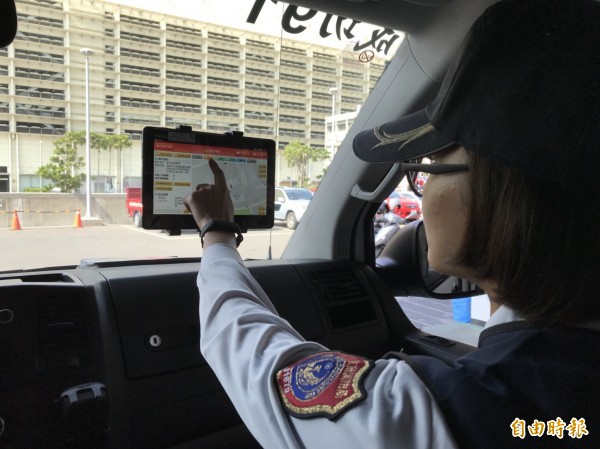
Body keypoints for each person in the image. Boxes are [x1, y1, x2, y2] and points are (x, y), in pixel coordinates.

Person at [184, 0, 599, 448]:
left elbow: (259, 364)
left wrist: (217, 236)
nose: (423, 184)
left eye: (435, 159)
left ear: (500, 192)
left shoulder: (455, 410)